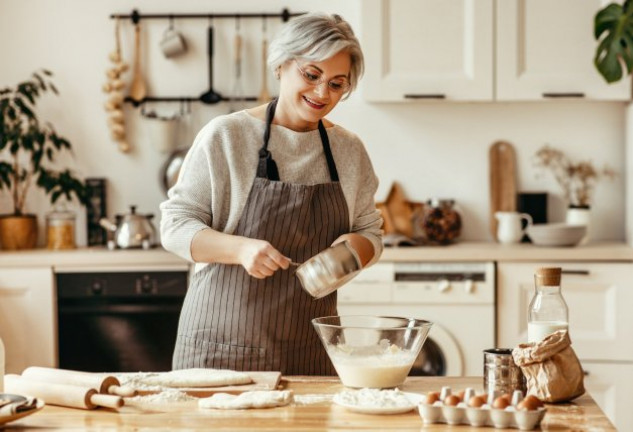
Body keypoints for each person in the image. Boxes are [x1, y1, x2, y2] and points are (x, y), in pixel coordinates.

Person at [160, 12, 383, 375]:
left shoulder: (349, 150)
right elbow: (174, 226)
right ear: (281, 65)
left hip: (309, 351)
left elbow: (370, 232)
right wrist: (242, 249)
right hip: (219, 351)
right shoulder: (226, 137)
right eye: (311, 75)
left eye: (337, 83)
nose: (322, 93)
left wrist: (349, 253)